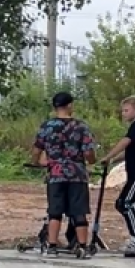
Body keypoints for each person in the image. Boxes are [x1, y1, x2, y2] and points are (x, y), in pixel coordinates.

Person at [31, 91, 98, 257]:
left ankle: (52, 245)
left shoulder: (47, 126)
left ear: (55, 106)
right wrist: (90, 161)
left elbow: (36, 150)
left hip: (55, 174)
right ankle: (83, 246)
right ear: (69, 105)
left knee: (55, 211)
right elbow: (89, 153)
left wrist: (39, 162)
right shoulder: (81, 127)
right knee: (79, 211)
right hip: (77, 174)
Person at [101, 95, 135, 252]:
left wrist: (108, 155)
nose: (123, 113)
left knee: (124, 202)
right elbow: (130, 151)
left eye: (126, 110)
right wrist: (113, 160)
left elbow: (126, 142)